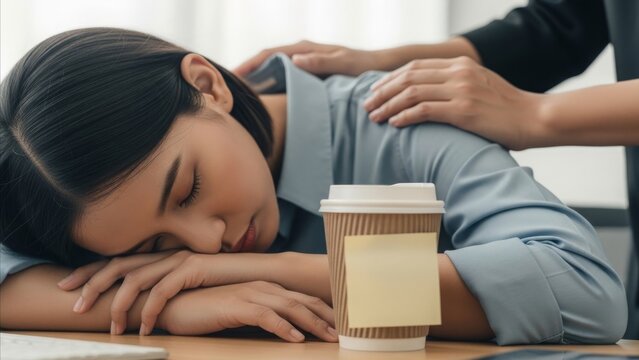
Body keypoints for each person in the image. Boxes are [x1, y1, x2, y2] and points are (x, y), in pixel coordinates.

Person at [0, 27, 628, 345]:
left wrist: (287, 274)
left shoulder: (395, 121)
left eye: (188, 189)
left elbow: (585, 292)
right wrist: (171, 306)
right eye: (156, 246)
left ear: (209, 86)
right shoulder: (80, 202)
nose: (208, 243)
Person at [234, 0, 639, 339]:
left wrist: (536, 115)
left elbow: (584, 294)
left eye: (190, 188)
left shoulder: (412, 139)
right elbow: (560, 24)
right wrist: (386, 64)